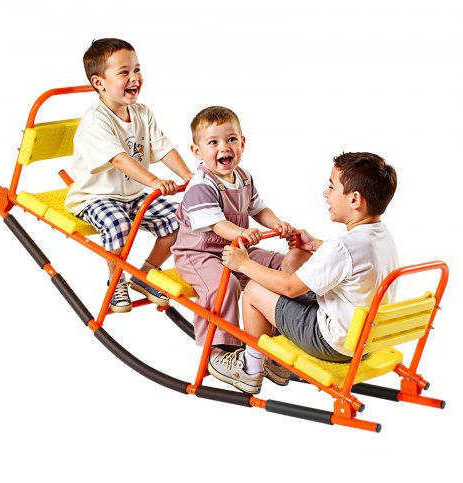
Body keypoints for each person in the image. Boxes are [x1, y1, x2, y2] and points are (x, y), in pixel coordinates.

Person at [213, 152, 398, 394]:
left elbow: (290, 287)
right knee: (296, 257)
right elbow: (350, 260)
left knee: (254, 290)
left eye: (331, 186)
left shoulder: (341, 247)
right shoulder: (382, 237)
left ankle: (251, 367)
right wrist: (316, 245)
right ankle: (277, 363)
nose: (325, 193)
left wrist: (244, 264)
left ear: (354, 199)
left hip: (332, 343)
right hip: (362, 341)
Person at [171, 106, 300, 388]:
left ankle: (274, 343)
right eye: (213, 142)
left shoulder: (244, 177)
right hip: (199, 253)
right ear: (197, 151)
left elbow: (259, 209)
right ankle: (219, 350)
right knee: (224, 285)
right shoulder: (201, 185)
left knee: (279, 266)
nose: (224, 147)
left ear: (242, 143)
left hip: (237, 248)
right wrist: (243, 232)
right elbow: (218, 225)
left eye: (231, 139)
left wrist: (277, 224)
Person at [65, 38, 193, 313]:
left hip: (133, 195)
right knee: (118, 224)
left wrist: (187, 175)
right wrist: (154, 181)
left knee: (179, 220)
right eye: (124, 72)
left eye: (137, 69)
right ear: (99, 83)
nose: (134, 77)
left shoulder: (142, 113)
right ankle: (115, 281)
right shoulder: (95, 121)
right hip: (96, 197)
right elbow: (119, 159)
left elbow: (162, 146)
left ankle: (144, 274)